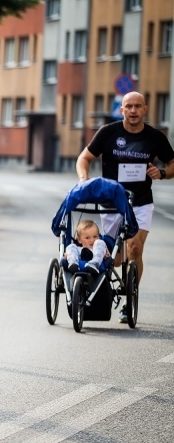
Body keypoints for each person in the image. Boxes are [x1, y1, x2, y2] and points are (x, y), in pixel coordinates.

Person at [76, 91, 174, 322]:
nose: (133, 110)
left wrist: (161, 173)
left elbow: (172, 164)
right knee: (116, 258)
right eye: (128, 106)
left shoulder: (155, 137)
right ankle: (108, 288)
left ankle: (129, 300)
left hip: (140, 201)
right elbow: (84, 158)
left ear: (145, 110)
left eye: (138, 106)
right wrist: (84, 180)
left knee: (135, 249)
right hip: (111, 202)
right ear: (121, 110)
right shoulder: (108, 132)